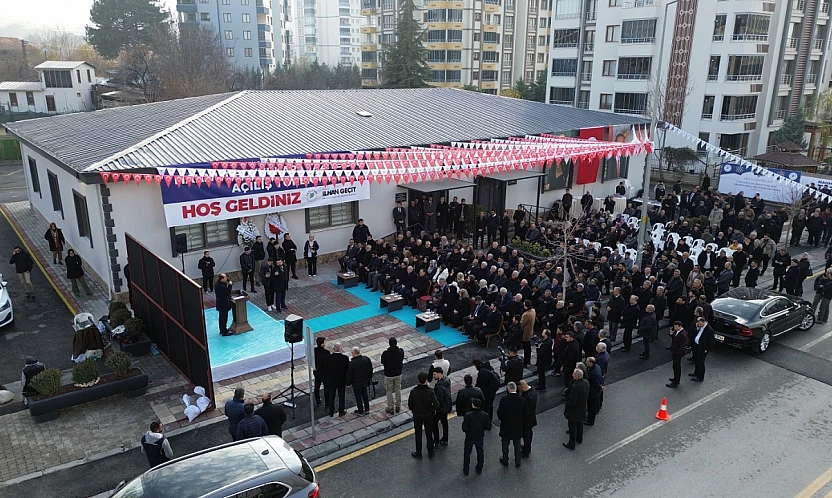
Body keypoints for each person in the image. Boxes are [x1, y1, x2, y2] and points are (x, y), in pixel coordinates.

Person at [408, 372, 440, 459]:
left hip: (417, 415)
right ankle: (430, 451)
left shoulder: (413, 391)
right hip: (428, 415)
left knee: (418, 434)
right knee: (429, 433)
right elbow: (437, 405)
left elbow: (410, 404)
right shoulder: (430, 392)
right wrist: (433, 409)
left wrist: (414, 409)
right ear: (426, 380)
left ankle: (418, 452)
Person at [497, 381, 526, 468]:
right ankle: (518, 461)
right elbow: (526, 414)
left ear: (508, 389)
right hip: (517, 426)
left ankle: (505, 459)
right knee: (517, 444)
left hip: (506, 426)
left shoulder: (504, 399)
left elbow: (499, 413)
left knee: (505, 444)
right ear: (516, 388)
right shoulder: (522, 400)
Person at [461, 397, 491, 476]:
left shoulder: (468, 415)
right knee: (480, 451)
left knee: (467, 452)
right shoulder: (485, 415)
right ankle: (479, 467)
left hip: (470, 437)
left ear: (473, 405)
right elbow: (488, 427)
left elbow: (464, 428)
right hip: (479, 436)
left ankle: (466, 469)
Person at [563, 368, 589, 450]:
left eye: (574, 374)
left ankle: (571, 443)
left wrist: (567, 403)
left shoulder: (575, 386)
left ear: (577, 376)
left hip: (574, 410)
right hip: (582, 407)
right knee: (580, 424)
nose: (572, 375)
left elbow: (572, 401)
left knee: (572, 426)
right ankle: (579, 438)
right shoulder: (586, 382)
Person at [346, 346, 373, 415]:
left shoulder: (352, 363)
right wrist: (369, 378)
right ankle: (367, 409)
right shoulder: (366, 359)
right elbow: (370, 369)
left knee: (358, 397)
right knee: (365, 395)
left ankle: (360, 410)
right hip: (365, 381)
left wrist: (348, 383)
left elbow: (350, 374)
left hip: (356, 383)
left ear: (354, 353)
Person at [381, 337, 405, 414]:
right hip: (398, 373)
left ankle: (390, 408)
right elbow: (401, 358)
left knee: (389, 391)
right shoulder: (400, 351)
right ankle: (398, 406)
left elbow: (382, 361)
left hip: (389, 374)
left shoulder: (386, 353)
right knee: (398, 389)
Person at [326, 343, 350, 417]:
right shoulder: (345, 358)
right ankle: (341, 411)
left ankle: (331, 411)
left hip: (331, 380)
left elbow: (326, 369)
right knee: (341, 396)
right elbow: (347, 370)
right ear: (341, 348)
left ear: (333, 348)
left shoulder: (328, 358)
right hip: (341, 380)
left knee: (331, 396)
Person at [690, 317, 714, 382]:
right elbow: (695, 333)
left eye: (700, 324)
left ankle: (700, 377)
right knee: (696, 360)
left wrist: (706, 349)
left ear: (703, 322)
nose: (699, 325)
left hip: (702, 349)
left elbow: (711, 341)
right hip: (697, 346)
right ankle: (696, 372)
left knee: (700, 362)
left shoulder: (709, 330)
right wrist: (697, 327)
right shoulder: (700, 327)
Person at [432, 367, 452, 447]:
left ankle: (436, 441)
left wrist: (435, 409)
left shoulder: (439, 387)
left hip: (441, 409)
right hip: (446, 406)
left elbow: (438, 400)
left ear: (439, 373)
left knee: (434, 424)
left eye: (434, 374)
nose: (433, 376)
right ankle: (445, 439)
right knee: (444, 423)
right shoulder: (447, 380)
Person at [518, 380, 538, 458]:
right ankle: (527, 447)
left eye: (520, 389)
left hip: (526, 419)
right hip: (532, 417)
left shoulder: (526, 398)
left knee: (526, 434)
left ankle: (526, 451)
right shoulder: (533, 391)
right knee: (529, 432)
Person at [667, 321, 688, 388]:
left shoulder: (682, 335)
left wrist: (675, 352)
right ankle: (675, 378)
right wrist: (671, 334)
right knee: (675, 366)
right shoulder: (677, 332)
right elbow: (674, 339)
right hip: (675, 352)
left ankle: (676, 382)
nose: (675, 328)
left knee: (676, 367)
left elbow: (681, 346)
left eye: (676, 327)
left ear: (680, 326)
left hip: (677, 353)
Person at [585, 357, 603, 426]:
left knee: (591, 407)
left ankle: (590, 421)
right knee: (593, 405)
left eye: (587, 362)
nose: (586, 363)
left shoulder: (593, 374)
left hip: (593, 393)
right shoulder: (597, 367)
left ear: (590, 363)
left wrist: (599, 387)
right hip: (596, 391)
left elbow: (595, 384)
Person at [313, 337, 330, 408]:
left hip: (317, 372)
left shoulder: (314, 351)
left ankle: (317, 400)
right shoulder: (326, 352)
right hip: (325, 373)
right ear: (322, 344)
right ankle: (327, 403)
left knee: (317, 386)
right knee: (326, 387)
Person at [520, 300, 536, 368]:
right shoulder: (533, 310)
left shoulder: (526, 314)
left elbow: (522, 324)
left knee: (526, 347)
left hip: (525, 333)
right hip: (530, 331)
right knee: (528, 347)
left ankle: (525, 362)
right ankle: (528, 360)